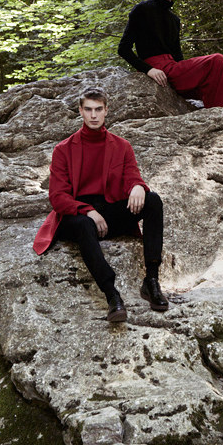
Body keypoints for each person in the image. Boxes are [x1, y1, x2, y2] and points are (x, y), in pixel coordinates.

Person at [33, 87, 168, 323]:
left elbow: (132, 176)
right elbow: (57, 197)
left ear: (106, 111)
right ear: (80, 111)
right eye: (88, 109)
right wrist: (88, 211)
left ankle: (152, 280)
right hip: (76, 215)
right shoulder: (63, 149)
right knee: (84, 224)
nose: (93, 115)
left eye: (98, 109)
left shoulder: (121, 146)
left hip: (108, 212)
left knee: (153, 200)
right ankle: (112, 295)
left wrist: (138, 186)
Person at [118, 0, 223, 108]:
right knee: (217, 60)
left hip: (174, 70)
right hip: (158, 69)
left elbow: (178, 56)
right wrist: (148, 69)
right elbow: (123, 49)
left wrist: (191, 75)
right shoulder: (142, 9)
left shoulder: (174, 20)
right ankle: (222, 114)